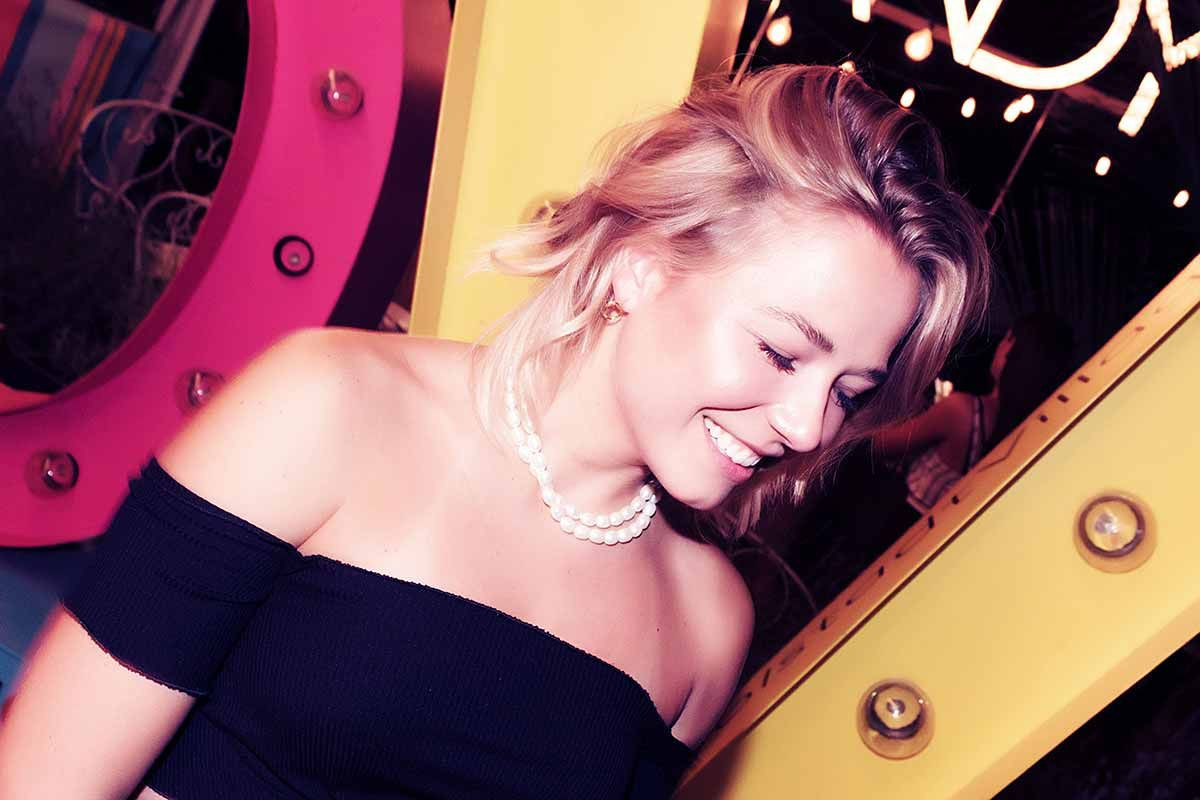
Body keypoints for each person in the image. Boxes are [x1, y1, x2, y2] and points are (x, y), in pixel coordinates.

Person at [0, 64, 989, 798]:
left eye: (849, 390)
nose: (809, 424)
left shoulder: (706, 621)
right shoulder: (330, 407)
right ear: (642, 265)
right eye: (780, 352)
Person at [875, 312, 1075, 521]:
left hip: (904, 520)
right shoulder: (1026, 438)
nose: (999, 346)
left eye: (1007, 339)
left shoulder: (963, 410)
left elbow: (881, 445)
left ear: (1015, 351)